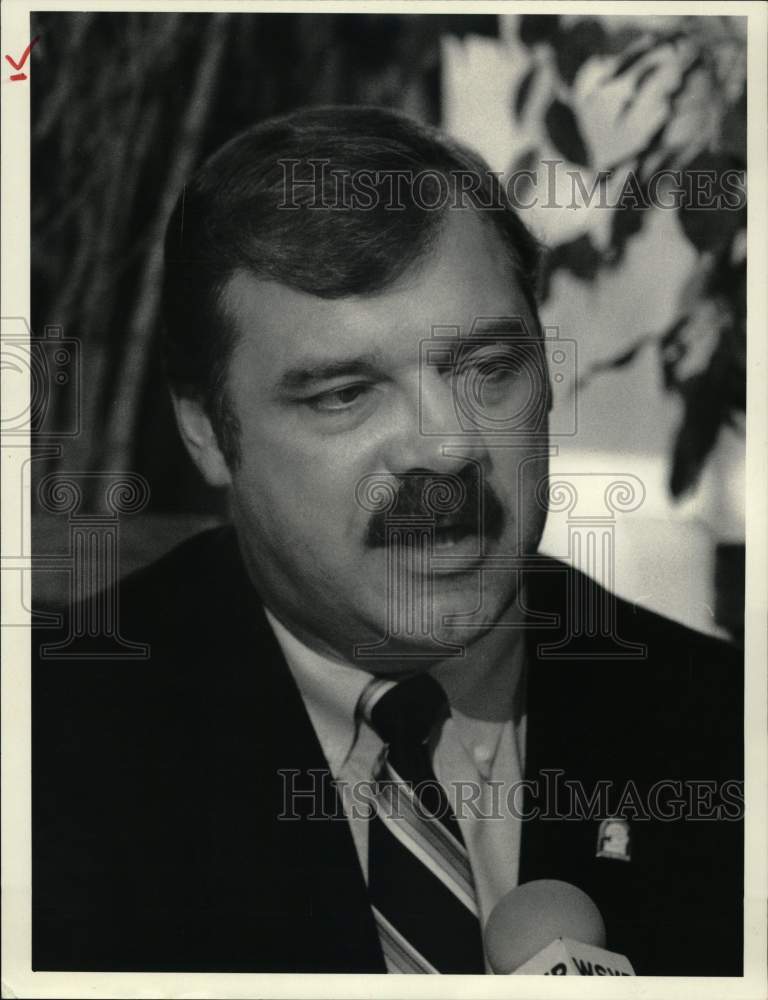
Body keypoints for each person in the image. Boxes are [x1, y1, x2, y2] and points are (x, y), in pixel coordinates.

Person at [32, 106, 743, 976]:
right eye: (343, 394)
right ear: (208, 432)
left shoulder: (729, 735)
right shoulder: (43, 753)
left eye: (488, 369)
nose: (446, 448)